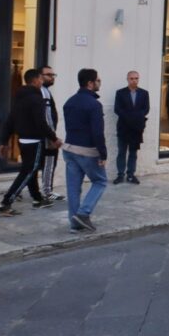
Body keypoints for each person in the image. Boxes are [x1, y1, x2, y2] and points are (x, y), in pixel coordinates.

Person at [0, 68, 61, 215]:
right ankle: (6, 202)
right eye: (41, 79)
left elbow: (11, 119)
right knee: (29, 171)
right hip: (34, 140)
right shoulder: (36, 98)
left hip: (22, 141)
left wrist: (4, 140)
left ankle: (37, 198)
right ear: (36, 80)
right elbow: (41, 123)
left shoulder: (19, 96)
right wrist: (54, 138)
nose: (42, 81)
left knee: (29, 169)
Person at [61, 68, 108, 233]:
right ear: (90, 83)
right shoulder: (94, 104)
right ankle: (83, 213)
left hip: (69, 148)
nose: (99, 82)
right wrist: (103, 154)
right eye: (98, 80)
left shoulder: (69, 101)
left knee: (73, 187)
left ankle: (75, 222)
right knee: (100, 181)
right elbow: (97, 132)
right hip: (87, 151)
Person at [113, 71, 150, 184]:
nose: (134, 80)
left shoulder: (144, 93)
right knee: (121, 152)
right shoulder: (120, 93)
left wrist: (136, 118)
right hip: (123, 127)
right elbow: (117, 109)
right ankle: (120, 175)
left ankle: (131, 174)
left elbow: (146, 109)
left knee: (133, 152)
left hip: (136, 128)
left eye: (136, 78)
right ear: (127, 79)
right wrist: (130, 117)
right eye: (132, 78)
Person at [38, 66, 63, 201]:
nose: (52, 77)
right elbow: (47, 117)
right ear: (40, 76)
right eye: (48, 75)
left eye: (53, 75)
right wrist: (52, 137)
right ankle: (47, 191)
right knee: (49, 162)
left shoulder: (43, 91)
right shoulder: (43, 92)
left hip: (40, 135)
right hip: (46, 136)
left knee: (33, 165)